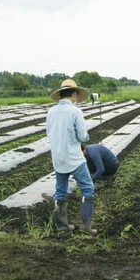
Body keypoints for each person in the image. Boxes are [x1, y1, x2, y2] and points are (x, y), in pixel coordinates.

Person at [46, 78, 97, 234]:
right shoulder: (75, 111)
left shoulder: (51, 112)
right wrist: (85, 138)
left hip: (58, 158)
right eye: (77, 96)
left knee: (60, 191)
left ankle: (61, 226)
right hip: (74, 158)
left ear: (61, 95)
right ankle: (85, 226)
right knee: (88, 188)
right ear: (74, 94)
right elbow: (82, 136)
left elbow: (49, 134)